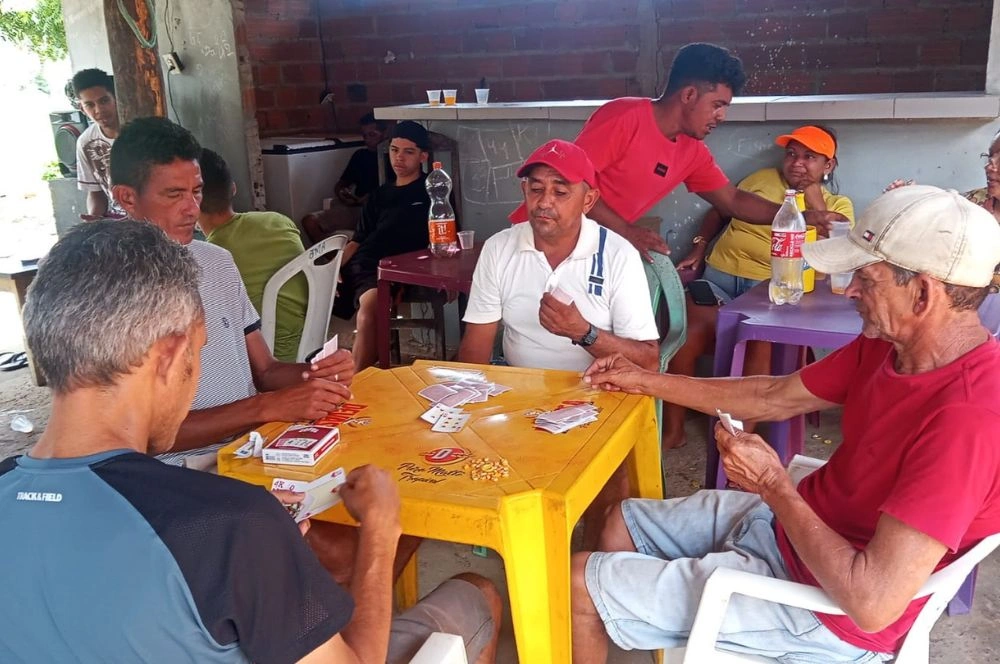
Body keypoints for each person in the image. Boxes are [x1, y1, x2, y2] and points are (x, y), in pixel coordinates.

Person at [0, 219, 501, 664]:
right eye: (199, 352)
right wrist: (379, 530)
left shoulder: (227, 525)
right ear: (171, 355)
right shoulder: (225, 522)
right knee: (477, 593)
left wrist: (265, 550)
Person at [570, 185, 1000, 662]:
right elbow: (772, 395)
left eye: (866, 279)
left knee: (575, 584)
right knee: (620, 521)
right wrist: (645, 380)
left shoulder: (968, 420)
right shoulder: (890, 344)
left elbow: (872, 603)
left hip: (827, 611)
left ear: (922, 293)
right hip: (792, 529)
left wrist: (774, 485)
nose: (850, 290)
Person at [109, 117, 354, 471]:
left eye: (196, 191)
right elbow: (140, 435)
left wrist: (317, 375)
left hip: (251, 447)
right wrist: (265, 407)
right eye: (174, 194)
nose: (192, 208)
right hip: (176, 470)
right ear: (127, 198)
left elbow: (265, 371)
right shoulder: (109, 290)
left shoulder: (217, 261)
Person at [508, 43, 842, 261]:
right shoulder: (625, 117)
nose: (721, 116)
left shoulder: (692, 151)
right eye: (717, 105)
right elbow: (569, 184)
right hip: (538, 237)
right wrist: (627, 232)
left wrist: (802, 218)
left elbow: (733, 200)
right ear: (689, 95)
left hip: (587, 247)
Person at [662, 125, 855, 448]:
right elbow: (721, 209)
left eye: (810, 157)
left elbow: (834, 253)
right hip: (719, 282)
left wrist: (812, 196)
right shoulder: (759, 180)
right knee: (685, 333)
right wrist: (699, 245)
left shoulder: (839, 205)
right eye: (791, 154)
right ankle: (674, 429)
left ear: (829, 165)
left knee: (757, 344)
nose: (797, 163)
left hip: (770, 294)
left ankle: (739, 439)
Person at [458, 139, 659, 373]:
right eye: (536, 190)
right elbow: (476, 347)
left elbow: (648, 362)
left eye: (560, 192)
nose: (544, 202)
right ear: (524, 191)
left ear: (588, 200)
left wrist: (583, 333)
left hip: (598, 388)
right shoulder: (498, 248)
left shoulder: (618, 255)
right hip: (520, 386)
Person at [333, 120, 435, 371]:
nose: (399, 158)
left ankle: (359, 379)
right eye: (394, 150)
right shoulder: (379, 195)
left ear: (422, 156)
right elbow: (358, 240)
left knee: (370, 309)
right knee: (317, 295)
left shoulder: (433, 192)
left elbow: (445, 236)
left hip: (404, 267)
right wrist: (332, 268)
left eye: (408, 152)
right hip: (367, 263)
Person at [198, 147, 308, 362]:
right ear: (233, 188)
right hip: (310, 343)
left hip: (264, 361)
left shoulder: (212, 257)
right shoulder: (278, 221)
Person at [302, 111, 393, 244]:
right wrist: (342, 193)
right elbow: (342, 183)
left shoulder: (394, 157)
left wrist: (371, 197)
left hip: (379, 211)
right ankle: (330, 256)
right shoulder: (360, 155)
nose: (367, 140)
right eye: (364, 136)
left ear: (385, 134)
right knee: (310, 221)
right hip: (356, 208)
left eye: (372, 135)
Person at [72, 68, 125, 219]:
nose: (99, 110)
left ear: (115, 98)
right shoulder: (85, 142)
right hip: (119, 221)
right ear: (82, 109)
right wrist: (94, 220)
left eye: (104, 101)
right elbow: (96, 193)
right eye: (90, 105)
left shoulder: (142, 131)